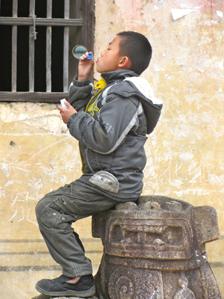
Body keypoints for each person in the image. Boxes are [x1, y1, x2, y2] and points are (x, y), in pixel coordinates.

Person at [35, 31, 162, 297]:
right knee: (51, 209)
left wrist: (73, 119)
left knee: (49, 209)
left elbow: (104, 139)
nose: (101, 52)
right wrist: (82, 78)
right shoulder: (110, 89)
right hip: (105, 177)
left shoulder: (124, 96)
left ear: (122, 61)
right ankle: (76, 272)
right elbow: (86, 113)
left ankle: (77, 276)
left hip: (113, 180)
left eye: (109, 48)